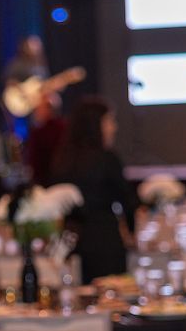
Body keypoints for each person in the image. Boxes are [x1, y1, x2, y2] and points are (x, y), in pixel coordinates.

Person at [51, 97, 135, 281]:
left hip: (70, 240)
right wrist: (131, 231)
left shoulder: (62, 159)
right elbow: (127, 201)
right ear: (96, 124)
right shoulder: (106, 159)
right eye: (109, 121)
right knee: (111, 296)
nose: (114, 127)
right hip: (104, 240)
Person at [24, 91, 66, 186]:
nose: (35, 112)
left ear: (48, 109)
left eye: (38, 109)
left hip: (45, 183)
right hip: (64, 181)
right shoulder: (67, 127)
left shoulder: (38, 133)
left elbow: (34, 162)